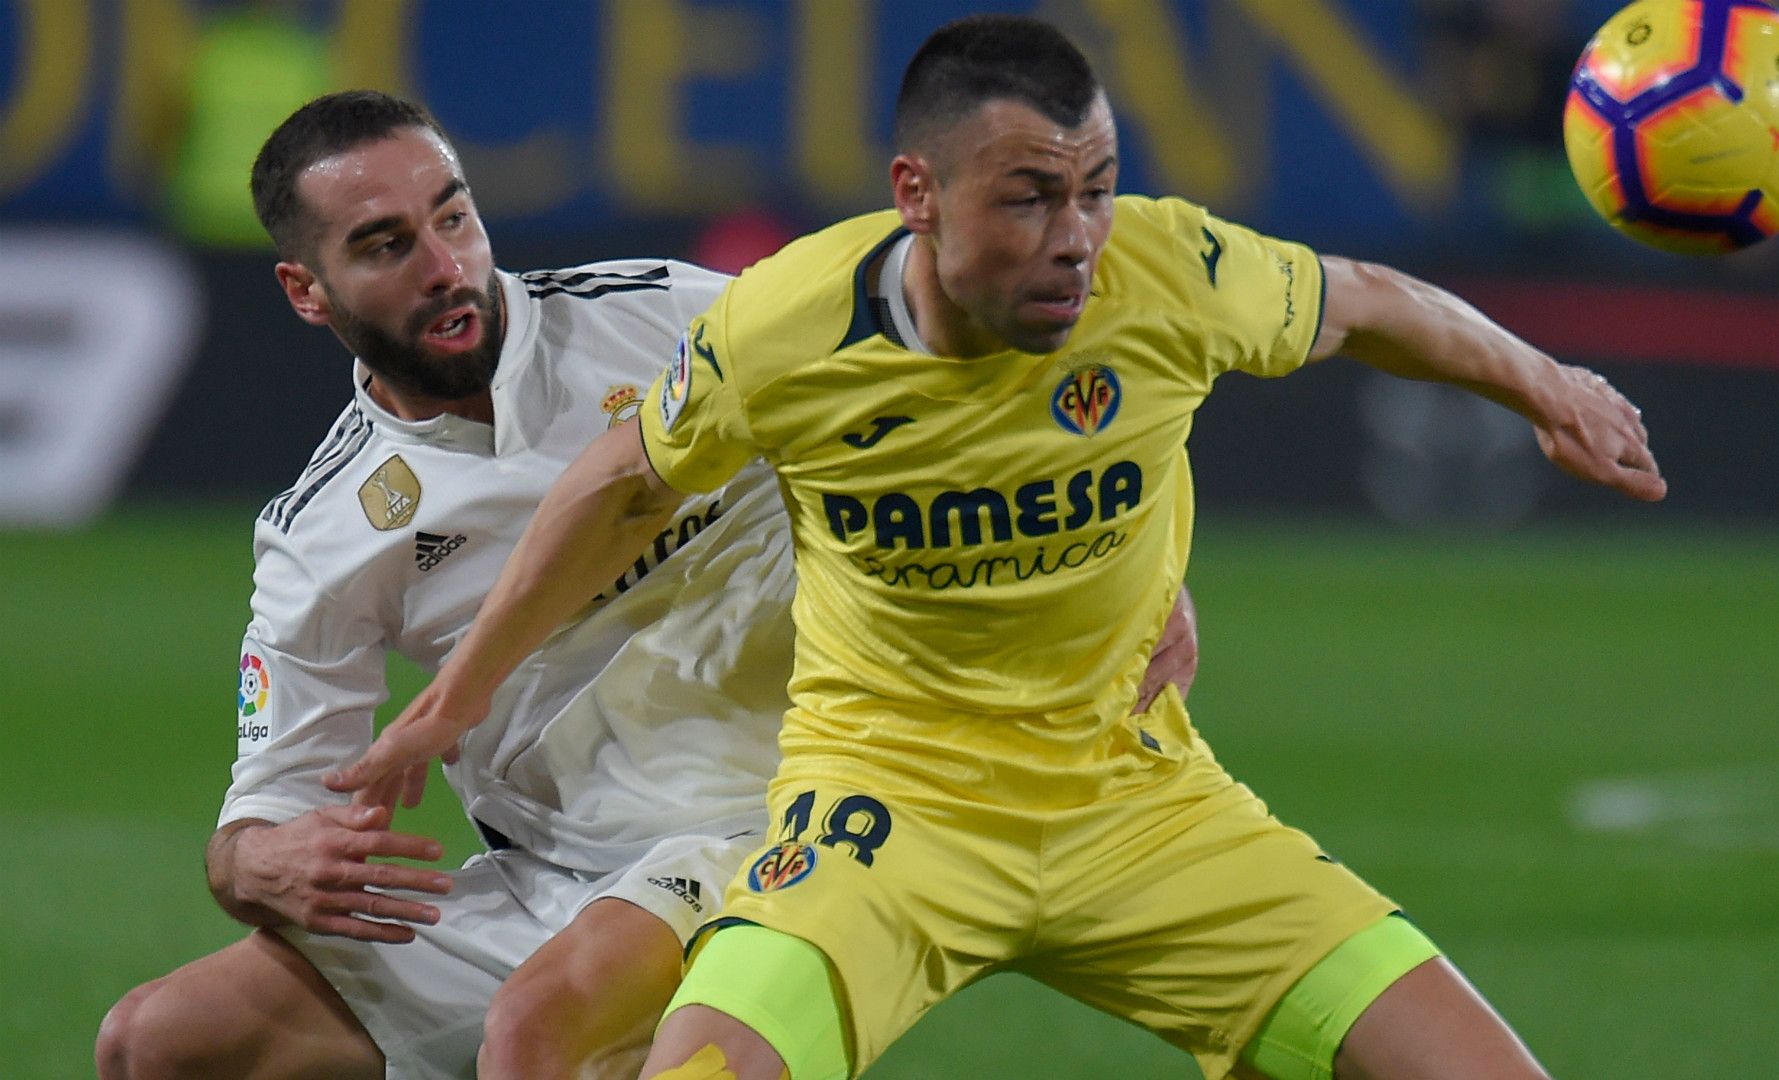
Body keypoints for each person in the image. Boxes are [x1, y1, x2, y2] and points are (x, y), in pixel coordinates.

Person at [328, 15, 1665, 1080]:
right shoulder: (789, 326)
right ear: (918, 192)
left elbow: (1367, 304)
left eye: (1096, 189)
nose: (1076, 239)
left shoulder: (1170, 273)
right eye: (1030, 198)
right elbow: (620, 482)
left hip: (1141, 802)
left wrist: (1549, 384)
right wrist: (453, 701)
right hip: (885, 813)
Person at [98, 88, 1197, 1080]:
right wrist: (261, 865)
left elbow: (974, 381)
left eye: (454, 215)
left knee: (538, 1040)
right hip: (553, 881)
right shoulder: (323, 528)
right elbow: (263, 810)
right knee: (160, 1043)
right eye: (386, 245)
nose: (445, 265)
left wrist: (1139, 561)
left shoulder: (661, 315)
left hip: (781, 815)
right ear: (305, 289)